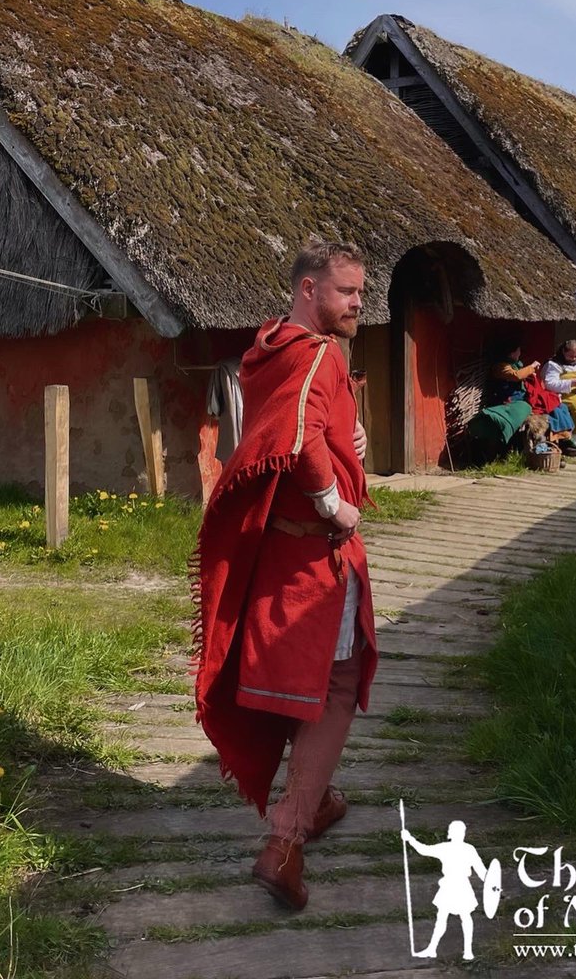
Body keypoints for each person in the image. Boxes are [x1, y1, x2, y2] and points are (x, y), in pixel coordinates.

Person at [192, 240, 377, 913]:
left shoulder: (269, 346)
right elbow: (296, 439)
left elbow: (298, 423)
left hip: (280, 550)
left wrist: (346, 438)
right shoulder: (319, 351)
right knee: (336, 684)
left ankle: (316, 797)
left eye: (361, 292)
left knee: (305, 680)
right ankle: (285, 840)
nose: (359, 302)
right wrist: (333, 500)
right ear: (307, 290)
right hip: (315, 556)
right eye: (347, 291)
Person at [402, 821, 489, 961]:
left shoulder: (469, 849)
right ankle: (432, 948)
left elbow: (481, 870)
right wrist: (410, 839)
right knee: (442, 917)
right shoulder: (445, 848)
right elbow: (424, 850)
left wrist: (492, 883)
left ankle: (468, 950)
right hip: (449, 885)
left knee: (465, 916)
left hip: (461, 885)